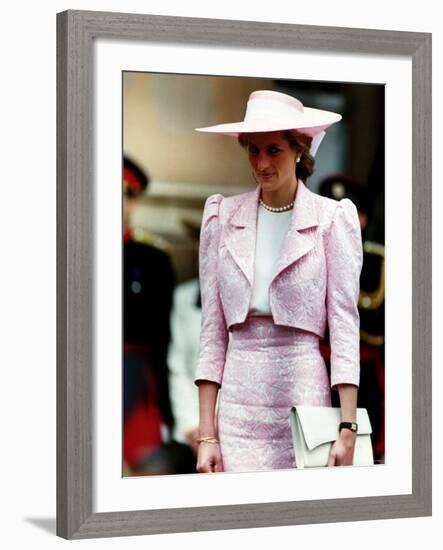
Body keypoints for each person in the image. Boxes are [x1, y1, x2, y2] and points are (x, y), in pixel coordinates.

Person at [193, 90, 363, 473]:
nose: (261, 163)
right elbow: (212, 331)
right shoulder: (222, 216)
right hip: (237, 408)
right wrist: (207, 435)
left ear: (300, 150)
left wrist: (348, 426)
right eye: (252, 150)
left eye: (274, 150)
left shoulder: (332, 220)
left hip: (303, 399)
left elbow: (344, 324)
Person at [122, 157, 175, 472]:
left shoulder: (152, 259)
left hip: (132, 379)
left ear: (134, 201)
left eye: (123, 196)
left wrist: (167, 414)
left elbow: (160, 341)